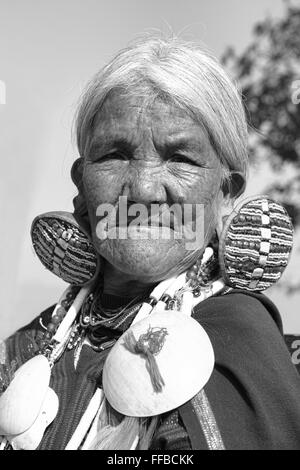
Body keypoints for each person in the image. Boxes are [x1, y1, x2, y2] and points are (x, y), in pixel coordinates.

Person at [1, 34, 300, 451]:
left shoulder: (236, 343)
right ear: (81, 184)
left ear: (226, 193)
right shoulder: (30, 346)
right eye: (114, 155)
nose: (142, 189)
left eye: (180, 158)